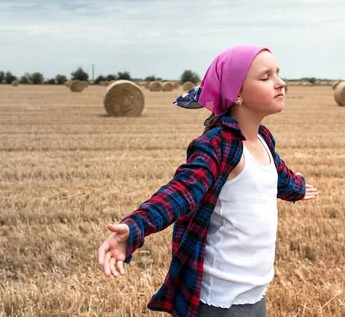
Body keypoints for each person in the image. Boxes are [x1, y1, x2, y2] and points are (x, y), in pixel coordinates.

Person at [98, 45, 319, 317]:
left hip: (254, 290)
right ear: (236, 93)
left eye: (278, 73)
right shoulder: (218, 145)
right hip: (220, 300)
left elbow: (278, 176)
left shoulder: (263, 138)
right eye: (266, 77)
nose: (280, 82)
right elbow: (181, 191)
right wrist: (136, 226)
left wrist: (297, 188)